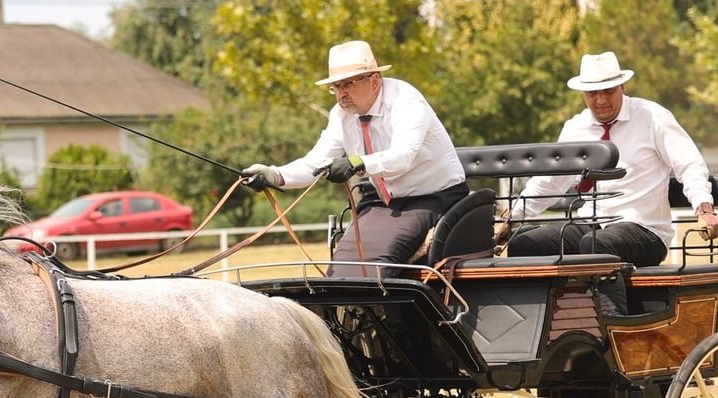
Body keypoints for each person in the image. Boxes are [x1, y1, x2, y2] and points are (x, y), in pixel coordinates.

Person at [242, 40, 467, 277]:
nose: (341, 94)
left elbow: (403, 156)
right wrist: (274, 175)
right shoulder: (340, 116)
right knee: (340, 268)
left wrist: (356, 163)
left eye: (347, 84)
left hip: (434, 197)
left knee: (376, 266)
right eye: (335, 87)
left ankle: (388, 312)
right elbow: (315, 162)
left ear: (374, 80)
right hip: (386, 200)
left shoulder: (406, 101)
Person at [503, 51, 718, 267]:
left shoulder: (653, 117)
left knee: (595, 246)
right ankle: (558, 302)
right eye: (592, 93)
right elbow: (550, 181)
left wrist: (704, 209)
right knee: (524, 245)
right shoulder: (575, 128)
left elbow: (689, 164)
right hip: (591, 223)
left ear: (622, 88)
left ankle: (610, 303)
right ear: (583, 95)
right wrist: (511, 218)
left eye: (608, 91)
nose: (601, 100)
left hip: (645, 230)